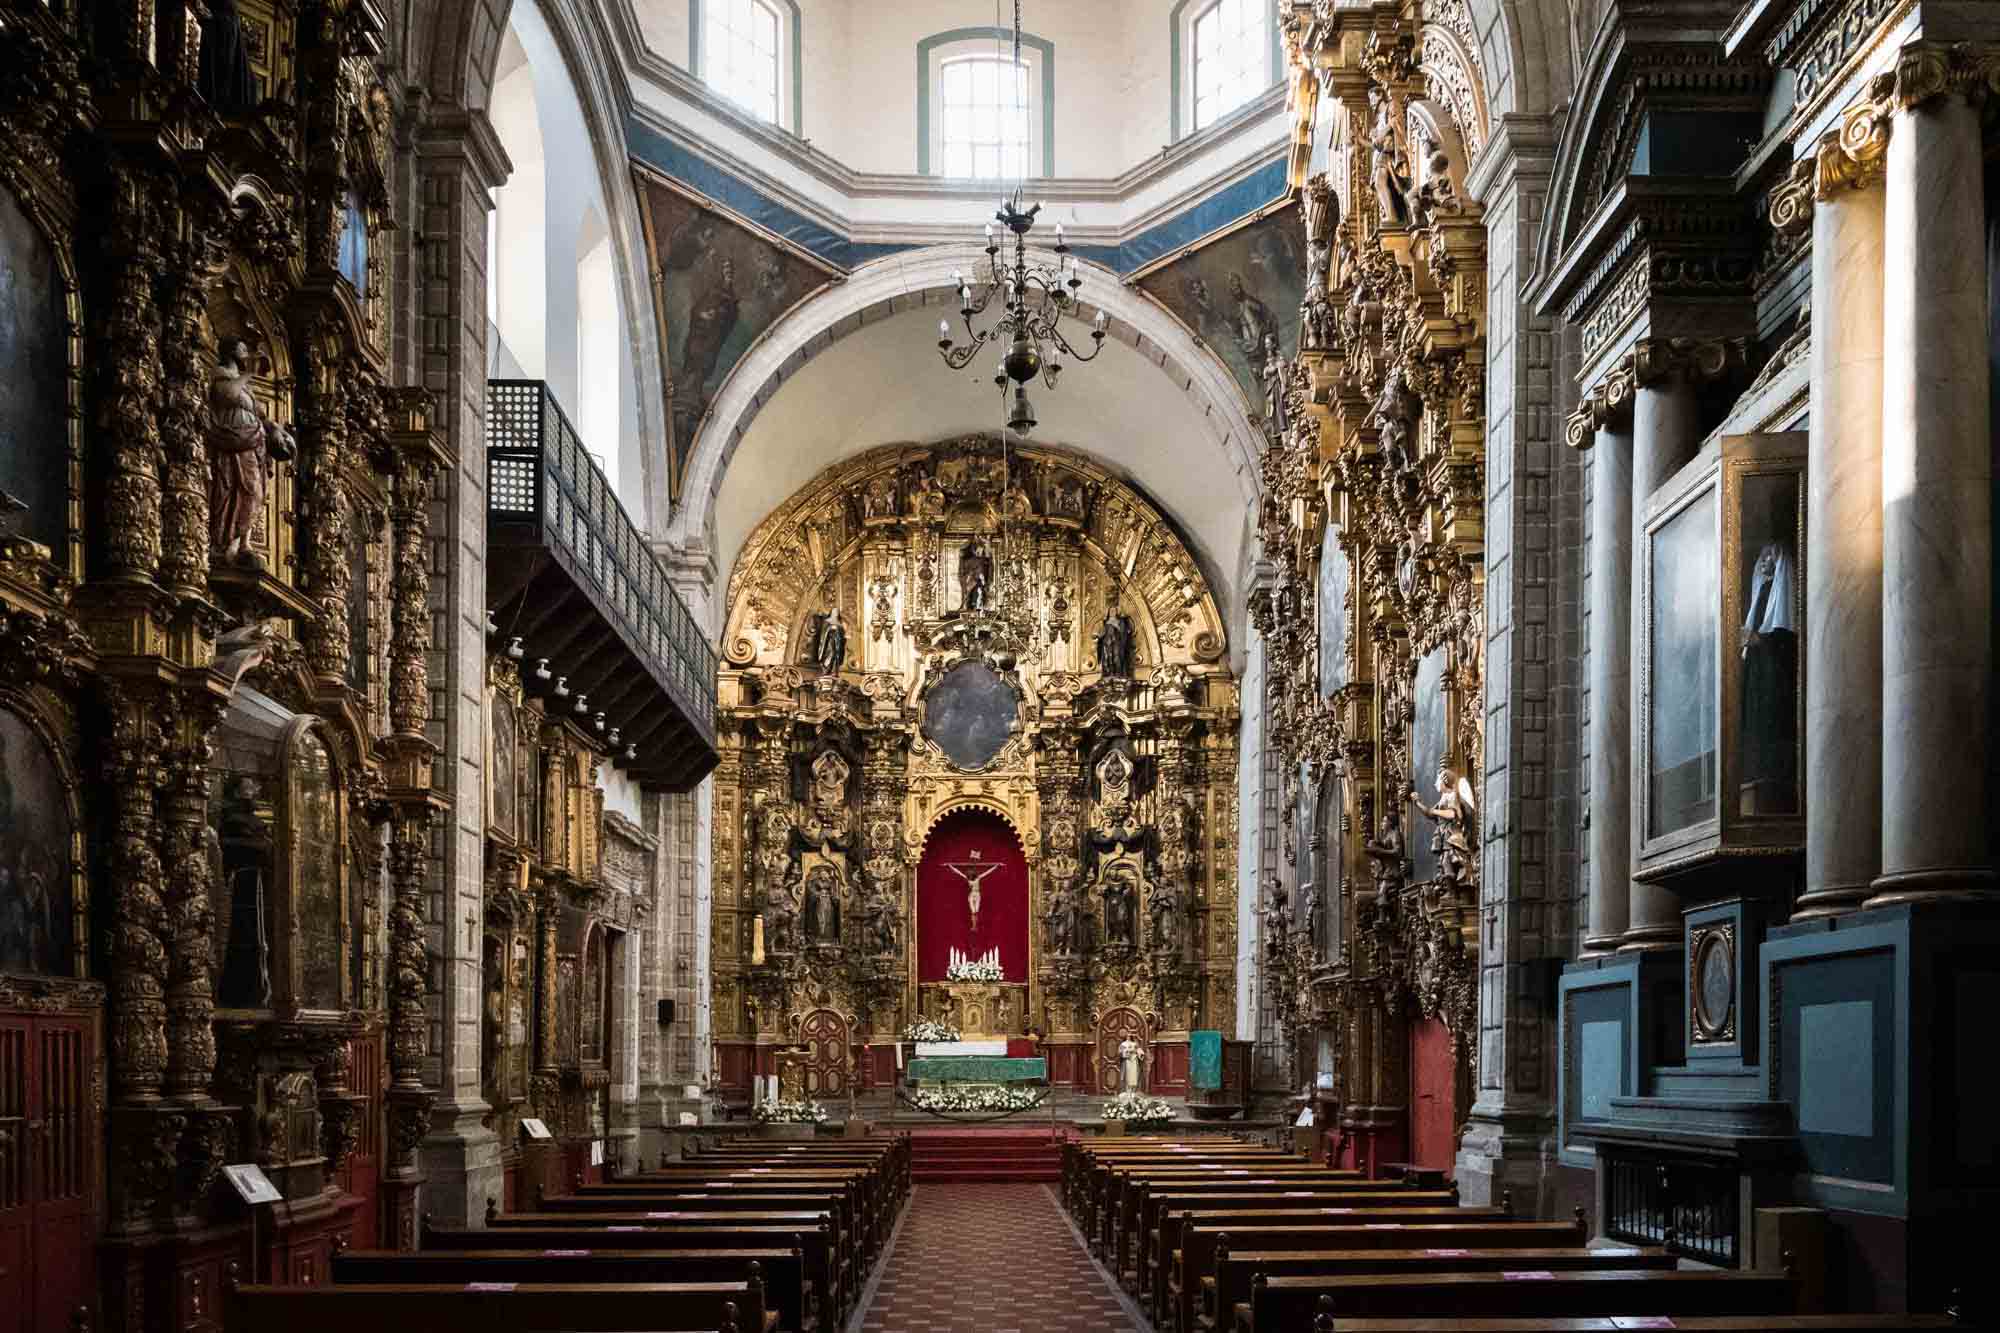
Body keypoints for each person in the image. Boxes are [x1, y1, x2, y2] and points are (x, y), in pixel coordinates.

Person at [209, 338, 294, 568]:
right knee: (235, 487)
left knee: (255, 491)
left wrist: (276, 430)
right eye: (243, 349)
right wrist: (248, 374)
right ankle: (228, 546)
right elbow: (227, 395)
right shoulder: (221, 372)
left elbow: (262, 416)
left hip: (253, 442)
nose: (246, 353)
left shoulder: (247, 387)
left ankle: (244, 544)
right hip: (232, 441)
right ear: (231, 351)